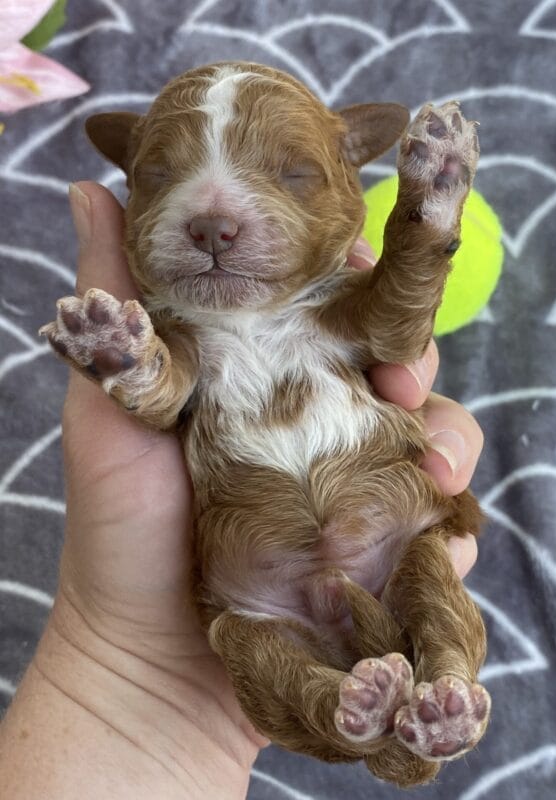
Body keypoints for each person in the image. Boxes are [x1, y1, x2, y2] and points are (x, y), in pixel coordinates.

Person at [0, 183, 484, 799]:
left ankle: (446, 684)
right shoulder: (176, 328)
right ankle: (346, 707)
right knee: (243, 638)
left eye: (284, 174)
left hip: (390, 534)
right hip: (256, 592)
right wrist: (134, 364)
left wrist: (424, 216)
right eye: (169, 178)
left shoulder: (338, 301)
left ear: (341, 171)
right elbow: (166, 393)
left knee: (429, 575)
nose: (215, 219)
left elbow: (396, 320)